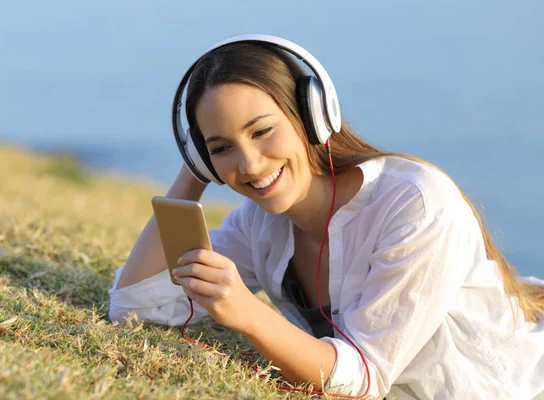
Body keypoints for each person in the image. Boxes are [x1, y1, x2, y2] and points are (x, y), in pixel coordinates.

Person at [108, 35, 544, 399]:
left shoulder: (415, 204)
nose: (251, 164)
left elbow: (363, 379)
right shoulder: (258, 224)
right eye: (221, 147)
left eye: (262, 131)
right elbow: (135, 307)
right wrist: (196, 171)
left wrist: (246, 312)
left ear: (314, 117)